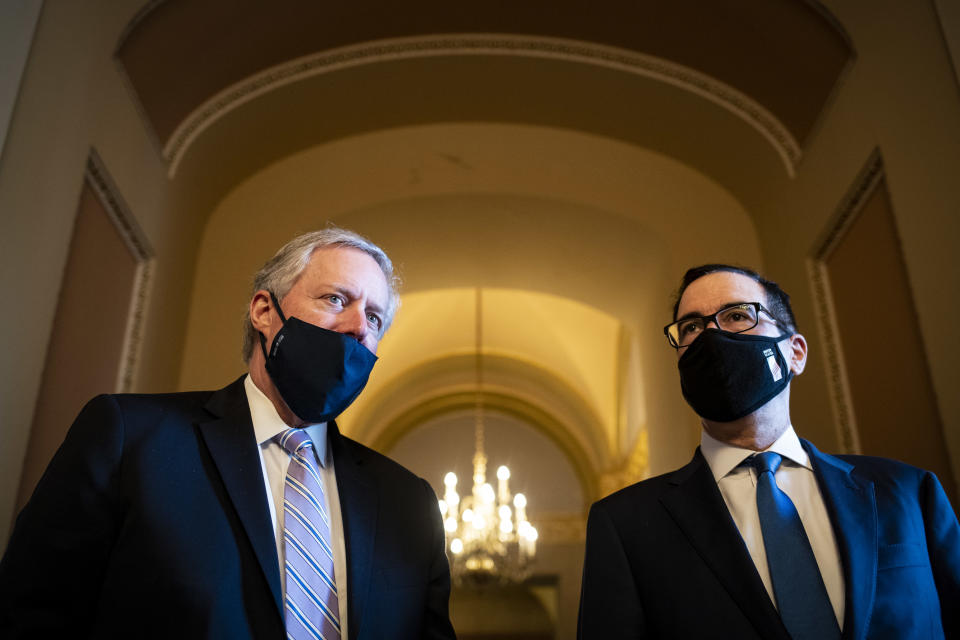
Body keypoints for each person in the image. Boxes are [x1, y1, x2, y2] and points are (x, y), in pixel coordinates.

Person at [0, 228, 457, 639]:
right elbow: (31, 614)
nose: (359, 326)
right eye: (337, 299)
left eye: (375, 318)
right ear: (264, 310)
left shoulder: (409, 503)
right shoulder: (131, 440)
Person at [578, 264, 960, 640]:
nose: (711, 336)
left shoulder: (908, 491)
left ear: (796, 353)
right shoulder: (625, 525)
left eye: (737, 315)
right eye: (691, 327)